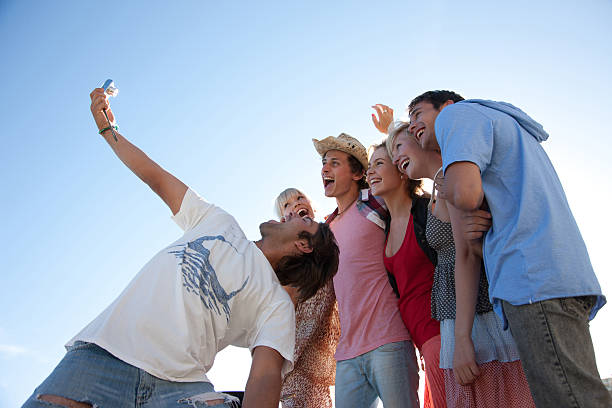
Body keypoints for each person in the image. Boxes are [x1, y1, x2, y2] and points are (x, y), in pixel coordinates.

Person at [22, 88, 339, 408]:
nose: (289, 215)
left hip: (180, 389)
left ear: (303, 245)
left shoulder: (276, 304)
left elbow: (265, 376)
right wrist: (108, 131)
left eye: (305, 222)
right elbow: (156, 177)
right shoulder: (220, 222)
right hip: (102, 357)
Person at [408, 90, 610, 407]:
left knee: (569, 399)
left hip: (531, 279)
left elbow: (466, 193)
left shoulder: (457, 115)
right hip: (560, 275)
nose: (413, 125)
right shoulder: (507, 125)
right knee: (578, 392)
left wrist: (452, 190)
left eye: (418, 114)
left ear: (446, 107)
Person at [384, 115, 535, 407]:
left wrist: (464, 338)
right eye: (393, 154)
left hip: (480, 313)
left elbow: (468, 254)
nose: (397, 157)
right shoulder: (435, 191)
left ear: (422, 139)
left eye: (400, 146)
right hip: (456, 315)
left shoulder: (449, 179)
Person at [312, 133, 419, 408]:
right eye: (324, 163)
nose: (325, 169)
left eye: (334, 163)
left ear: (358, 172)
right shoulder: (327, 228)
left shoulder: (374, 201)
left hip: (389, 338)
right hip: (347, 352)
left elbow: (406, 187)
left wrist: (391, 130)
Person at [366, 142, 446, 408]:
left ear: (401, 170)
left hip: (445, 337)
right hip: (423, 345)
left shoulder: (427, 210)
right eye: (369, 167)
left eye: (378, 164)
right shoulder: (384, 227)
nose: (370, 173)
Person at [274, 188, 340, 408]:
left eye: (300, 198)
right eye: (287, 205)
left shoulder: (330, 232)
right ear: (283, 218)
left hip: (324, 343)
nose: (295, 204)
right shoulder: (286, 252)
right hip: (295, 349)